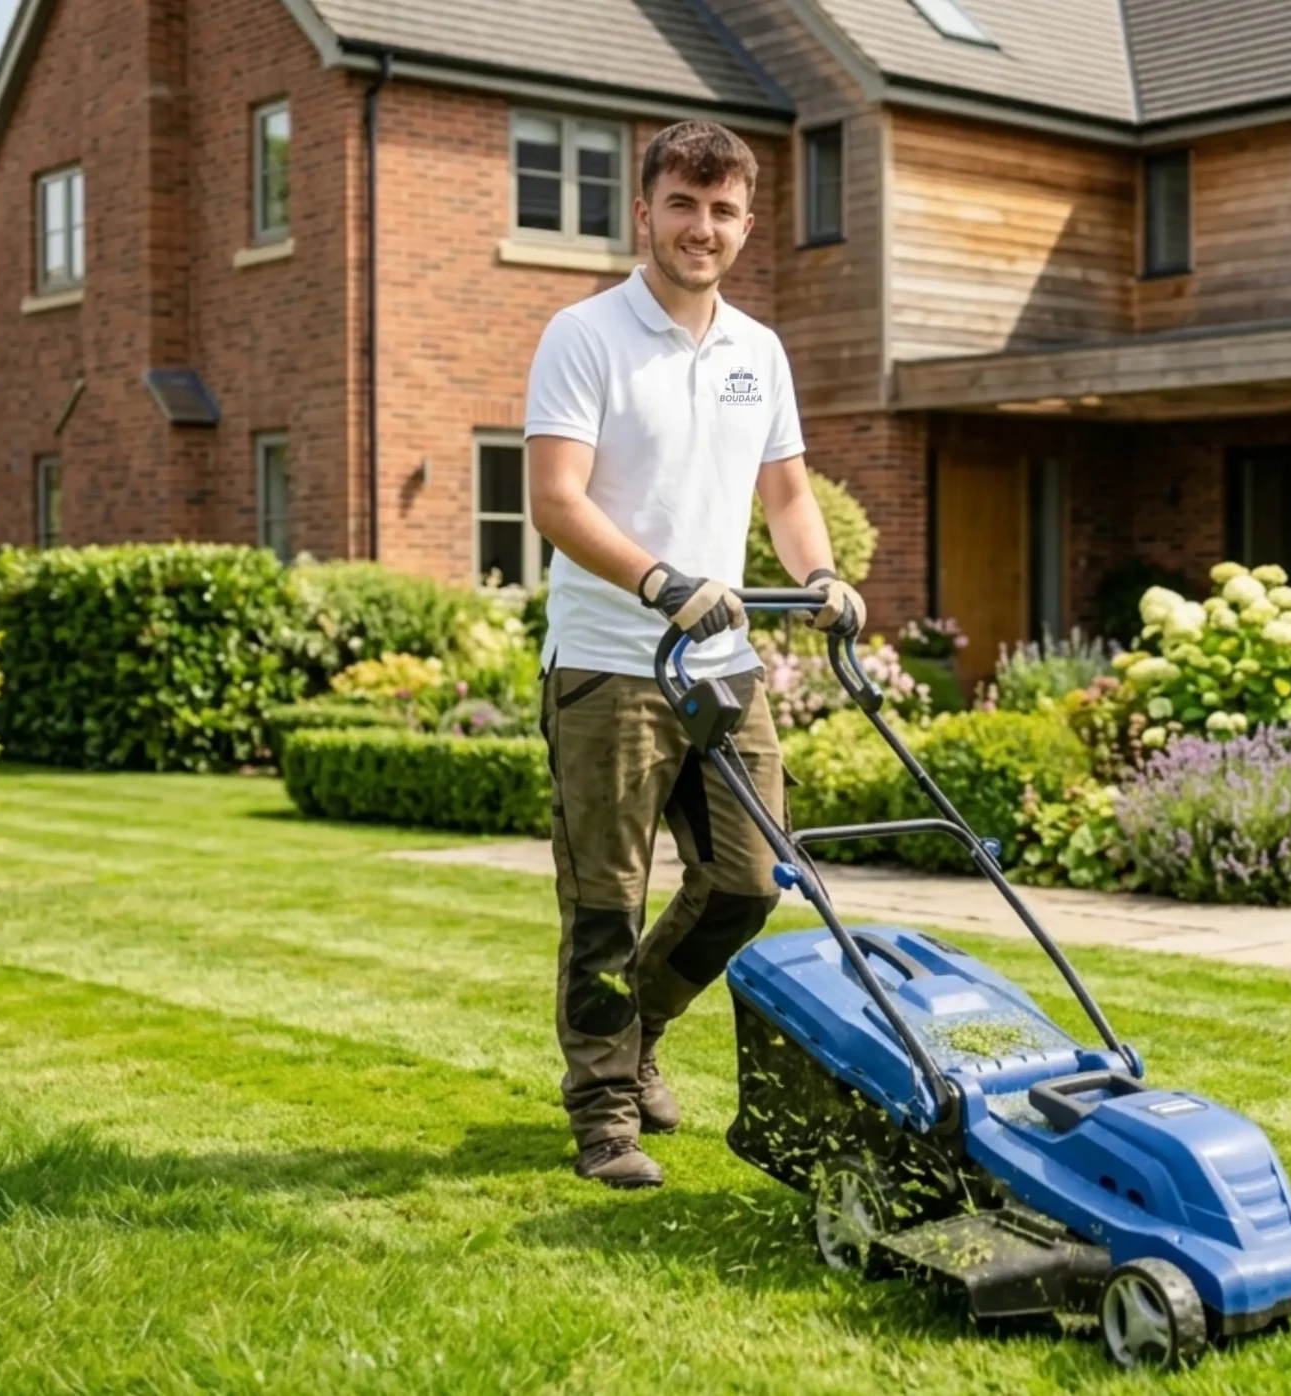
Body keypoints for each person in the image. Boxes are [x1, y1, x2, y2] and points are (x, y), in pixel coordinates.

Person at [523, 121, 863, 1190]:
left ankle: (640, 1034)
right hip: (610, 663)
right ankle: (603, 1117)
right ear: (645, 211)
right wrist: (659, 580)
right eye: (682, 204)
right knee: (605, 902)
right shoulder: (583, 336)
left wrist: (820, 576)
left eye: (722, 211)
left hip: (721, 665)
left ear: (745, 222)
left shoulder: (758, 351)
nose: (700, 227)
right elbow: (555, 500)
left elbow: (790, 494)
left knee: (748, 879)